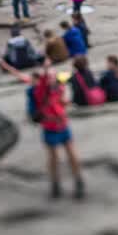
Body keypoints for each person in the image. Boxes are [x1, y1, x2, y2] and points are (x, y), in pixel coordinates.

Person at [29, 59, 85, 200]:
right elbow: (44, 84)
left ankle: (77, 181)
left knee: (70, 153)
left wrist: (66, 103)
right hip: (51, 126)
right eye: (51, 77)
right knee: (55, 156)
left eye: (54, 77)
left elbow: (61, 102)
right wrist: (47, 69)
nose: (53, 79)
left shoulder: (58, 89)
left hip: (60, 124)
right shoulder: (40, 91)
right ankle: (57, 184)